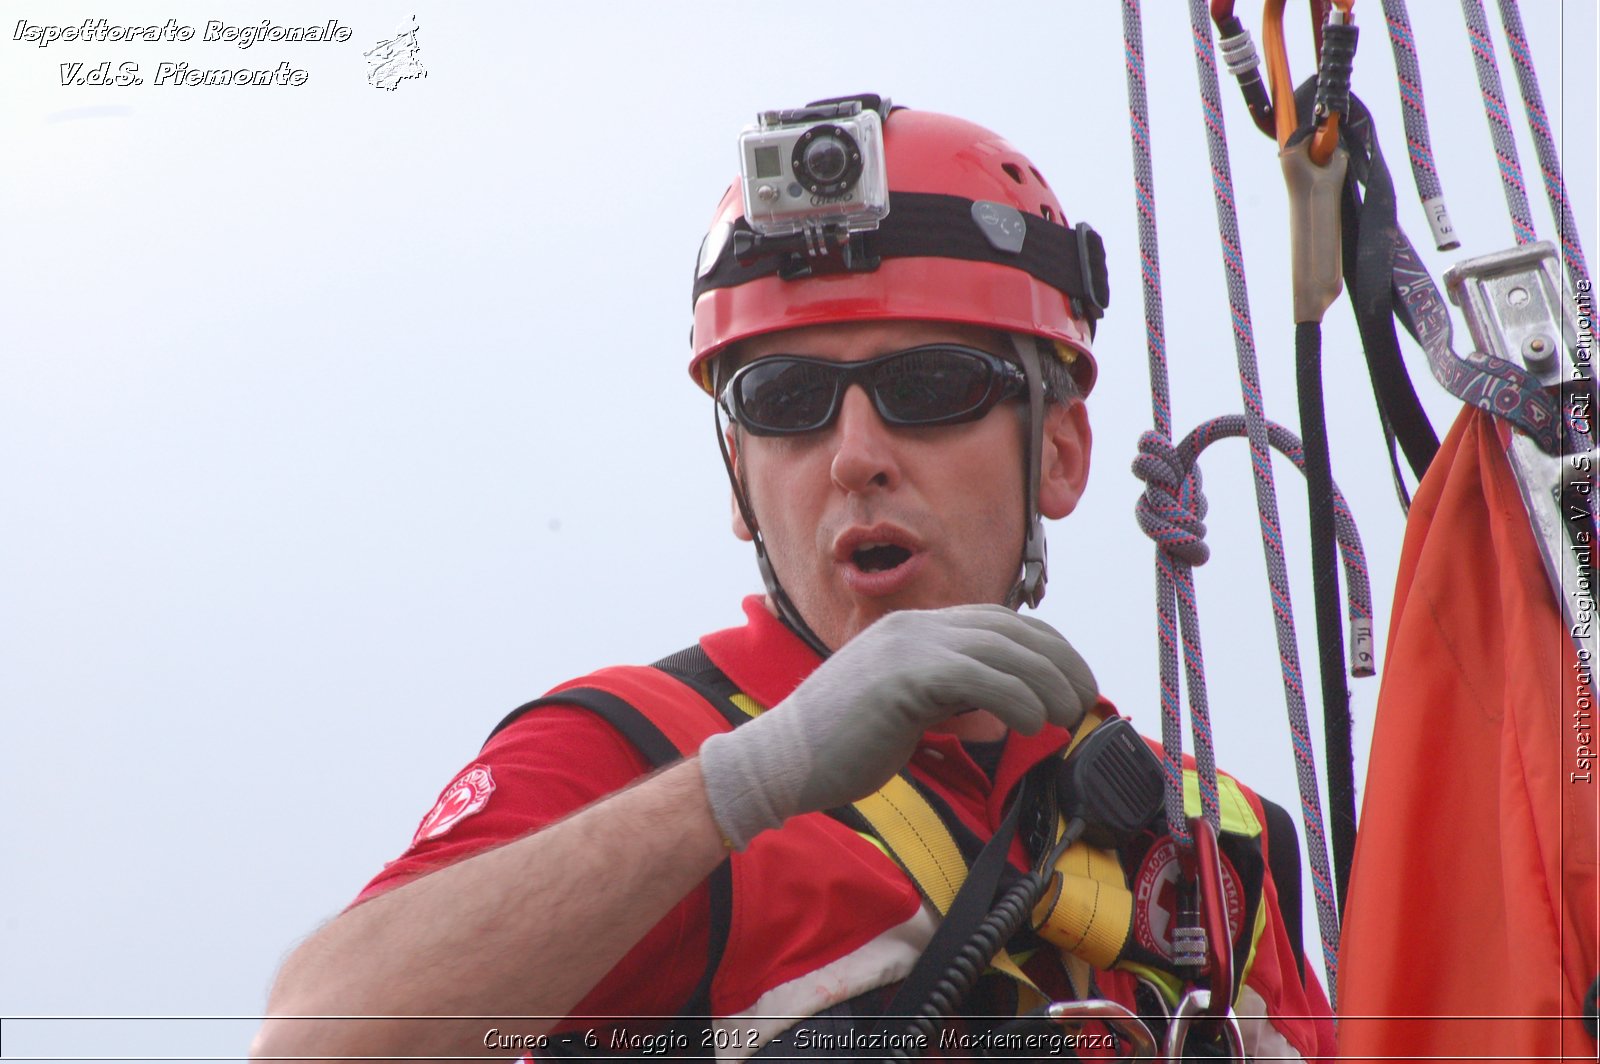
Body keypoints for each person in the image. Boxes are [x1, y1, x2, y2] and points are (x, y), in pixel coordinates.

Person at [252, 98, 1336, 1061]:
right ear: (738, 479)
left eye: (928, 383)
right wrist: (742, 784)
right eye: (784, 400)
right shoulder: (638, 750)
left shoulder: (1206, 844)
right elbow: (314, 1041)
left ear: (1058, 450)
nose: (853, 453)